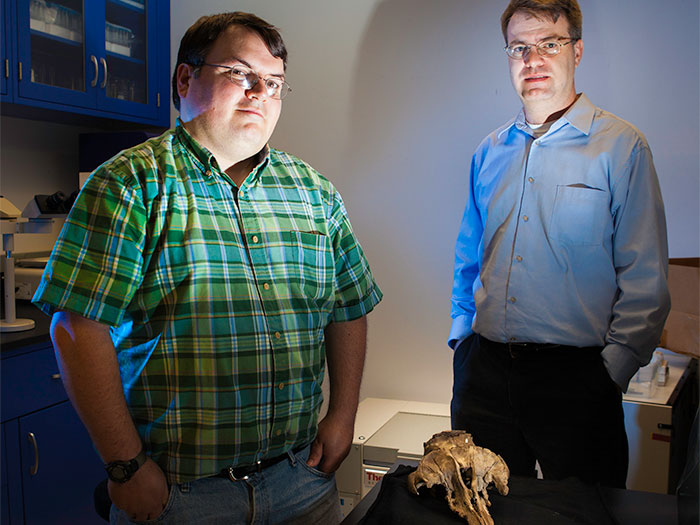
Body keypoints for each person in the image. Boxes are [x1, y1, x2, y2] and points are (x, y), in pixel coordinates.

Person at [33, 12, 381, 524]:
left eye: (276, 83)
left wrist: (343, 414)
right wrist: (127, 468)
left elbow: (348, 308)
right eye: (240, 73)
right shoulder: (130, 184)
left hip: (302, 479)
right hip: (183, 495)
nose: (261, 92)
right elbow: (76, 328)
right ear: (184, 79)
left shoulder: (314, 193)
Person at [449, 0, 670, 489]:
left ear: (578, 50)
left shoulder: (621, 146)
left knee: (587, 513)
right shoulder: (489, 151)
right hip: (484, 374)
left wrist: (608, 374)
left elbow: (646, 280)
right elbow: (470, 257)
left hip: (577, 380)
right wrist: (462, 340)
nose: (533, 60)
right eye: (519, 48)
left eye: (550, 44)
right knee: (481, 512)